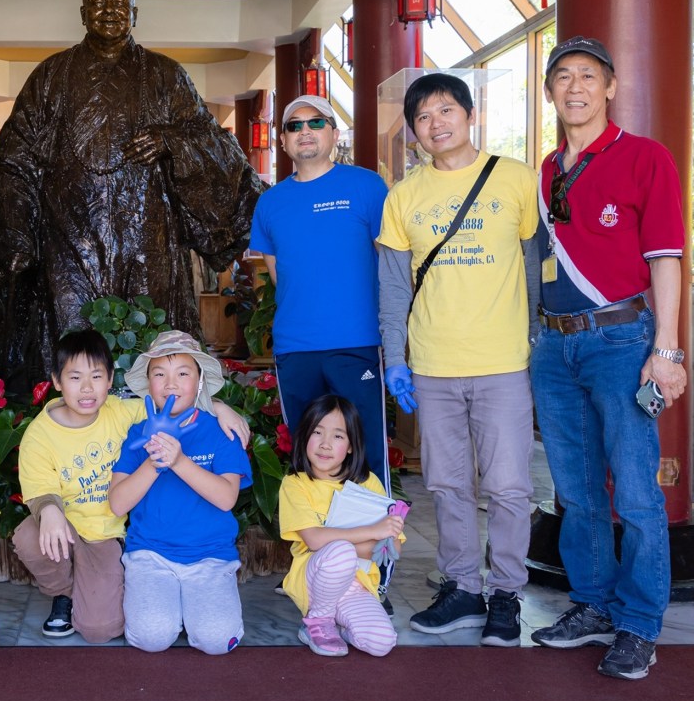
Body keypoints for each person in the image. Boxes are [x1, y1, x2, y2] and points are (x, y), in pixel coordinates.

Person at [0, 0, 264, 392]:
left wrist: (170, 141)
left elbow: (212, 142)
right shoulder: (51, 76)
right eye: (99, 2)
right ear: (82, 12)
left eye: (120, 2)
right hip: (68, 236)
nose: (109, 11)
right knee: (73, 345)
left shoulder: (166, 75)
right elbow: (13, 156)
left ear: (135, 13)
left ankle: (158, 426)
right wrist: (17, 231)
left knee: (150, 344)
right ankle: (73, 425)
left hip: (148, 238)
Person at [527, 36, 688, 681]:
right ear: (550, 92)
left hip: (621, 340)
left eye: (588, 76)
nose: (575, 87)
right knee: (575, 489)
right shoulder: (547, 170)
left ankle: (639, 624)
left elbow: (666, 260)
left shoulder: (644, 157)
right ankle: (592, 604)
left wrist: (666, 350)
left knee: (636, 490)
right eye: (562, 76)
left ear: (610, 87)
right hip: (553, 346)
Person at [376, 73, 539, 648]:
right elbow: (394, 288)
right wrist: (395, 358)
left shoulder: (515, 178)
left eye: (446, 110)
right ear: (414, 132)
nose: (435, 124)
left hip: (503, 363)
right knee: (446, 485)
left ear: (470, 115)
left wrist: (536, 341)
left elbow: (535, 267)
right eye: (423, 117)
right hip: (433, 365)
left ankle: (506, 594)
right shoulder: (403, 197)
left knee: (509, 486)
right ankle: (464, 588)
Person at [12, 329, 251, 641]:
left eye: (96, 376)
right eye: (75, 378)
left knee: (102, 630)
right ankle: (65, 593)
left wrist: (219, 408)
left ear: (110, 380)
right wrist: (48, 510)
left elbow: (180, 404)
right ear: (56, 381)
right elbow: (105, 499)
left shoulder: (127, 413)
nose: (87, 388)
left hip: (113, 536)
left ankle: (104, 589)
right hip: (82, 532)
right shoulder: (43, 433)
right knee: (32, 534)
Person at [248, 94, 392, 490]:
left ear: (334, 132)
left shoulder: (366, 186)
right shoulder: (270, 203)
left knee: (365, 449)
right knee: (307, 451)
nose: (305, 131)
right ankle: (315, 530)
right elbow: (278, 275)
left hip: (357, 342)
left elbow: (390, 263)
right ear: (282, 141)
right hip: (295, 348)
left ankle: (376, 531)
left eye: (315, 122)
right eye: (294, 126)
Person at [108, 332, 251, 655]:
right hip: (151, 554)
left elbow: (227, 498)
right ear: (148, 384)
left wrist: (179, 461)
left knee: (218, 641)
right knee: (151, 637)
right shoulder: (138, 433)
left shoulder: (221, 430)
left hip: (210, 555)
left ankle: (193, 608)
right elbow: (117, 504)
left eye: (183, 373)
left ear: (199, 381)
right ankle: (173, 607)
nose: (171, 384)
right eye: (159, 374)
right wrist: (155, 462)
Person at [278, 396, 404, 657]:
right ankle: (318, 621)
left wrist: (375, 539)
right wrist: (372, 533)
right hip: (314, 581)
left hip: (356, 584)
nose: (325, 444)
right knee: (340, 552)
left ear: (350, 446)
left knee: (382, 642)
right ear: (304, 436)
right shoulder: (296, 483)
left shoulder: (368, 482)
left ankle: (339, 627)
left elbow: (390, 550)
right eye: (317, 432)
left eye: (338, 436)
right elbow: (314, 540)